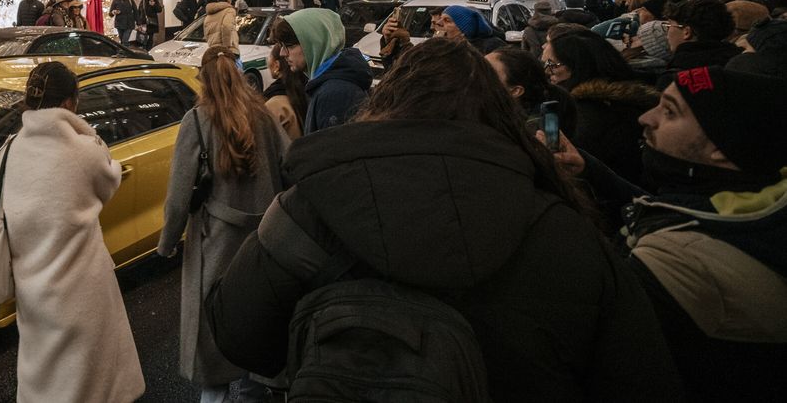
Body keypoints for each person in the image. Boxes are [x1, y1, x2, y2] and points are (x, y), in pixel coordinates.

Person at [206, 38, 685, 402]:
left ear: (387, 102)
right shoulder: (559, 225)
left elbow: (236, 331)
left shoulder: (311, 204)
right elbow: (638, 374)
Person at [566, 66, 787, 401]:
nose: (646, 118)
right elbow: (677, 213)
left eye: (669, 112)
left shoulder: (669, 263)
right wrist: (591, 170)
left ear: (721, 147)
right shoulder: (757, 198)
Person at [0, 61, 144, 403]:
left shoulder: (8, 151)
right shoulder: (82, 151)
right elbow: (109, 181)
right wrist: (89, 135)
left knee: (44, 377)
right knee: (88, 381)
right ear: (69, 103)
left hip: (32, 289)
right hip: (82, 291)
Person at [159, 46, 290, 403]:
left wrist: (168, 242)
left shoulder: (197, 121)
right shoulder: (262, 116)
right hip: (265, 239)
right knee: (260, 324)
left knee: (214, 334)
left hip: (214, 241)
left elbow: (178, 196)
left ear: (203, 80)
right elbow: (290, 164)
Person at [544, 30, 657, 184]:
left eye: (552, 65)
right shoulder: (632, 97)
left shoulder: (584, 114)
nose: (548, 72)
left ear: (577, 66)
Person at [277, 9, 369, 132]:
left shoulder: (335, 93)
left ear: (314, 44)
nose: (282, 53)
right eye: (281, 46)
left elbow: (330, 149)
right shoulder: (328, 82)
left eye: (289, 46)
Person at [485, 47, 578, 136]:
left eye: (488, 72)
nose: (476, 73)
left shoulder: (524, 135)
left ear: (516, 91)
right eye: (480, 64)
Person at [666, 0, 742, 71]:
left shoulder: (677, 74)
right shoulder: (740, 61)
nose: (667, 32)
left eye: (669, 26)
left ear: (687, 32)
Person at [263, 19, 308, 139]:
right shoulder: (306, 89)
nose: (284, 53)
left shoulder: (275, 105)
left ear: (276, 65)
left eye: (289, 46)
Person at [436, 5, 506, 51]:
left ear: (464, 30)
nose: (438, 23)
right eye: (440, 18)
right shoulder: (450, 46)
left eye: (447, 20)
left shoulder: (491, 47)